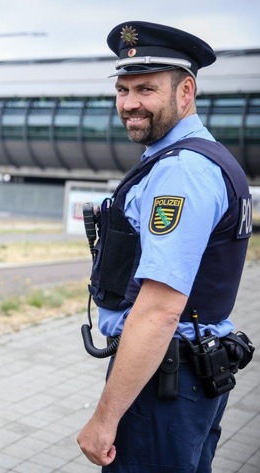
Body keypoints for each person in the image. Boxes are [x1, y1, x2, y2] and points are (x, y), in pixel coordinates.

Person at [77, 21, 254, 472]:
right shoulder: (189, 157)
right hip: (182, 376)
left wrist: (104, 417)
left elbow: (159, 311)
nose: (130, 103)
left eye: (146, 89)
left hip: (164, 384)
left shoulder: (182, 172)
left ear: (186, 91)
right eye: (123, 89)